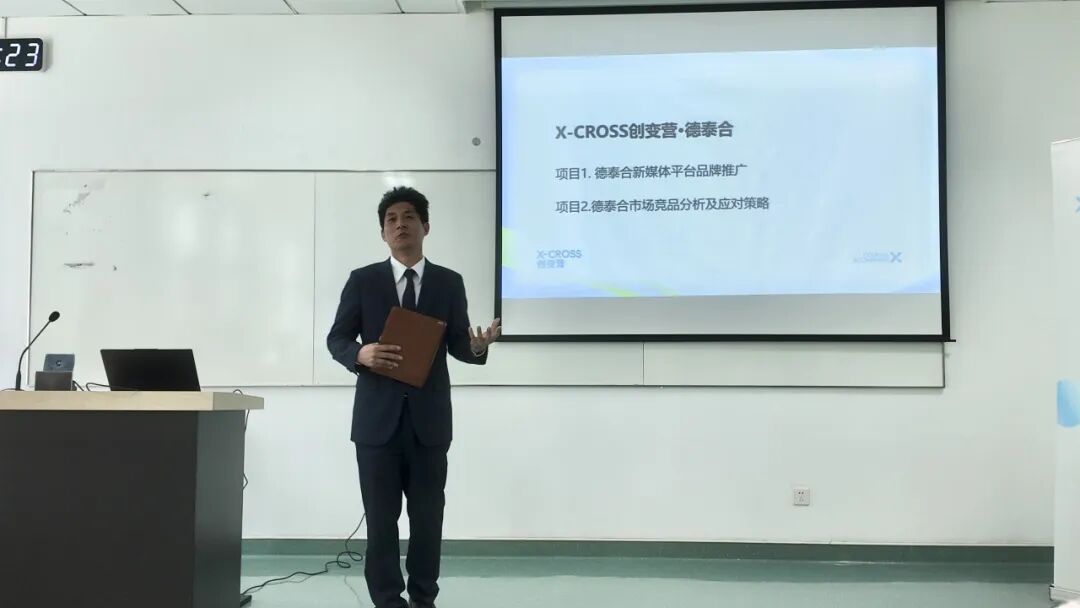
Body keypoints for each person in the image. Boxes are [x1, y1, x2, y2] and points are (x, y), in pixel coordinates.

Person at [326, 186, 500, 608]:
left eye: (408, 217)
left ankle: (424, 598)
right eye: (391, 219)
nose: (400, 224)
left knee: (427, 520)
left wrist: (477, 347)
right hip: (376, 424)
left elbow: (458, 344)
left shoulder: (448, 282)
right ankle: (388, 600)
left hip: (429, 424)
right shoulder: (363, 281)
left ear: (426, 226)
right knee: (381, 522)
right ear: (383, 232)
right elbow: (337, 339)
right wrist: (360, 354)